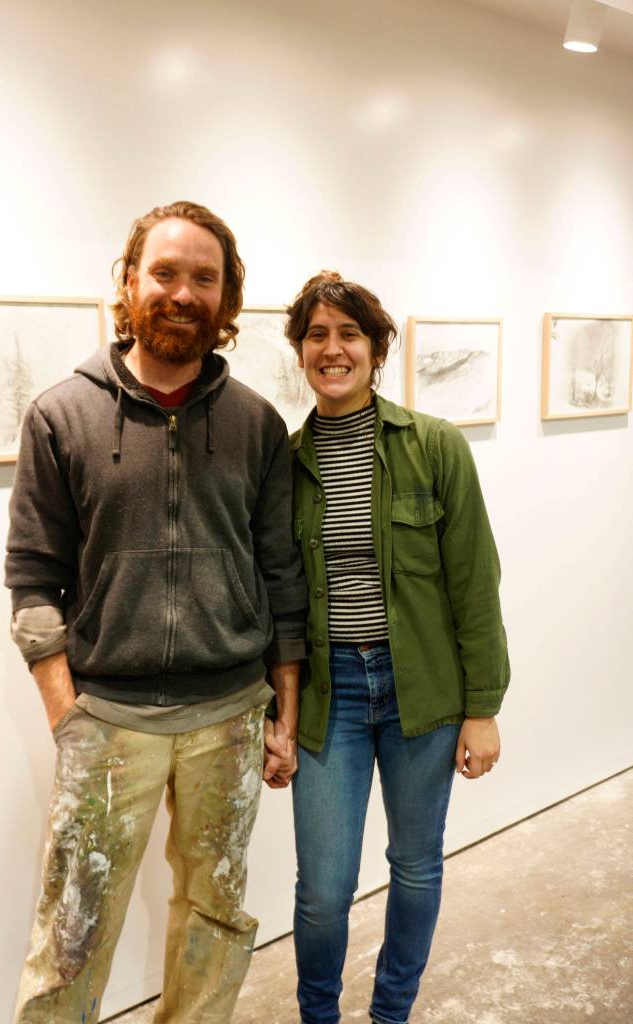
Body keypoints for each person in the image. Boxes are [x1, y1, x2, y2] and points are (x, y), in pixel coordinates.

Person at [5, 200, 307, 1024]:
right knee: (71, 935)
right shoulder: (61, 415)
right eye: (164, 272)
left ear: (225, 297)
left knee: (216, 917)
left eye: (203, 278)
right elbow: (32, 578)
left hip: (231, 717)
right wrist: (69, 716)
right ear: (130, 282)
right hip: (109, 721)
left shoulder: (255, 424)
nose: (181, 293)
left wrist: (282, 713)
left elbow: (281, 578)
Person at [284, 271, 510, 1024]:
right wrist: (276, 709)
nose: (333, 349)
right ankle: (319, 1015)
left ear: (377, 350)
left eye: (349, 334)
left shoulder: (434, 446)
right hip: (330, 698)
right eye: (317, 334)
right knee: (322, 890)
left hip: (424, 692)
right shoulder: (285, 463)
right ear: (300, 351)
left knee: (414, 865)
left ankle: (391, 1013)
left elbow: (474, 583)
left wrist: (482, 707)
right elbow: (274, 598)